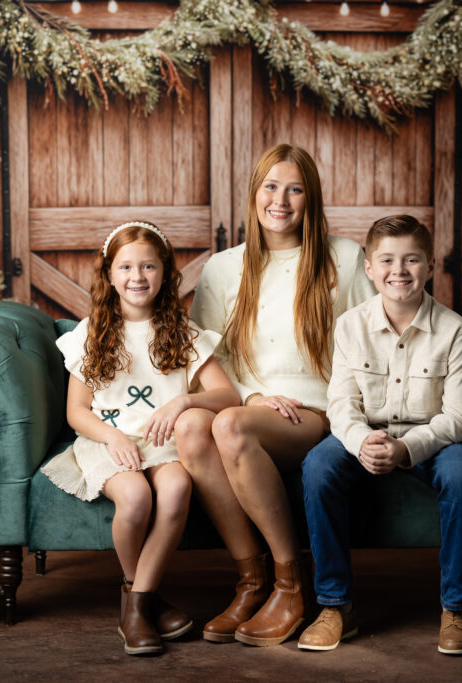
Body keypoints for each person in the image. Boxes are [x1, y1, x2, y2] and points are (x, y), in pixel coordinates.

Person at [179, 143, 375, 647]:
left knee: (227, 426)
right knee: (191, 427)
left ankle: (291, 584)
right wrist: (249, 397)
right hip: (249, 407)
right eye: (270, 186)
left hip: (316, 411)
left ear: (311, 198)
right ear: (254, 193)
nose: (280, 200)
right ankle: (252, 582)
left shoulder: (345, 258)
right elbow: (204, 361)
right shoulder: (225, 268)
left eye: (295, 188)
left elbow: (373, 338)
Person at [40, 221, 240, 656]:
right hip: (108, 441)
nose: (137, 277)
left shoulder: (181, 333)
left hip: (162, 446)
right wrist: (112, 437)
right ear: (109, 274)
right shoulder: (91, 334)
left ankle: (135, 605)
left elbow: (229, 395)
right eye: (126, 267)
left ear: (165, 273)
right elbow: (76, 412)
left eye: (149, 266)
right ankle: (145, 598)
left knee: (178, 486)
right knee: (134, 498)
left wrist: (183, 404)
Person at [298, 214, 462, 655]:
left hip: (432, 440)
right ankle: (335, 606)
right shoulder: (350, 326)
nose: (398, 271)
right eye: (386, 260)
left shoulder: (455, 331)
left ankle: (456, 608)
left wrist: (405, 449)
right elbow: (340, 404)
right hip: (367, 435)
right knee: (317, 466)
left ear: (430, 266)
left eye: (411, 259)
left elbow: (460, 416)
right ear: (368, 267)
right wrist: (363, 441)